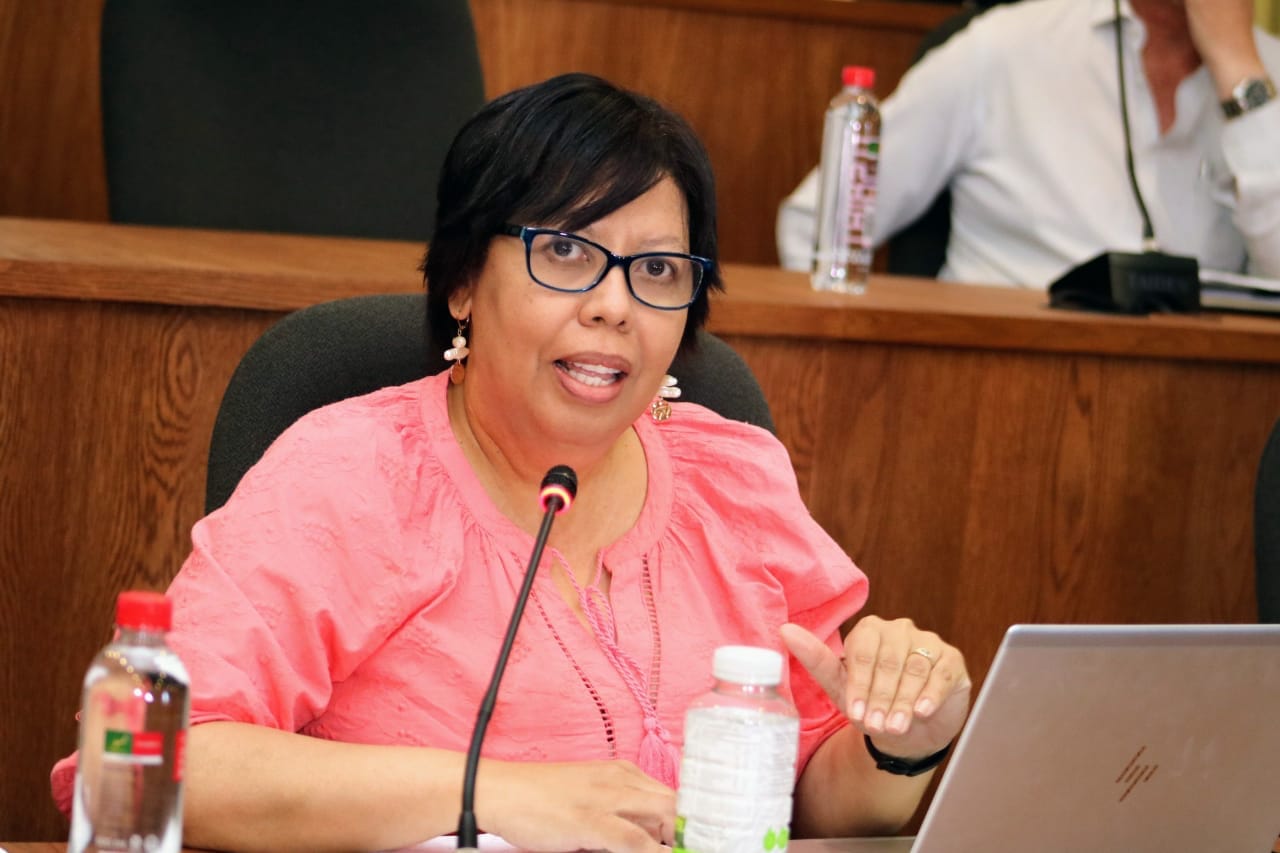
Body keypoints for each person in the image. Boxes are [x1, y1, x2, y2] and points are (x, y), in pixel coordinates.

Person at [52, 73, 971, 852]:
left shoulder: (734, 481)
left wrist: (903, 741)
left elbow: (812, 802)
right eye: (565, 251)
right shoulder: (353, 477)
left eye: (658, 271)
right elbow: (138, 759)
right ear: (462, 279)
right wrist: (489, 794)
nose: (615, 305)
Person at [777, 0, 1280, 288]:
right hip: (999, 397)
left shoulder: (1264, 74)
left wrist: (1238, 69)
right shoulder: (1004, 48)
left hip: (1206, 409)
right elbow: (813, 226)